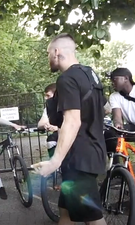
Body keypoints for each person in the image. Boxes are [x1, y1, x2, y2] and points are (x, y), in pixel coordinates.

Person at [32, 33, 107, 225]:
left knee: (94, 218)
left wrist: (54, 161)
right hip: (93, 154)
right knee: (65, 211)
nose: (48, 57)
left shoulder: (66, 79)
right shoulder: (90, 75)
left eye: (49, 53)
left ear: (56, 52)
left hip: (79, 160)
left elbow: (72, 121)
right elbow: (103, 109)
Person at [105, 67, 135, 154]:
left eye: (114, 79)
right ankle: (116, 164)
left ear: (126, 78)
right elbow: (117, 117)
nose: (112, 83)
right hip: (132, 127)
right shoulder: (114, 96)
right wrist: (118, 124)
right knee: (109, 134)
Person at [37, 83, 60, 158]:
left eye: (48, 95)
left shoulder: (67, 105)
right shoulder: (48, 108)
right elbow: (40, 124)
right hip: (56, 137)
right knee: (51, 139)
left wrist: (57, 128)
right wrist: (46, 125)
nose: (45, 98)